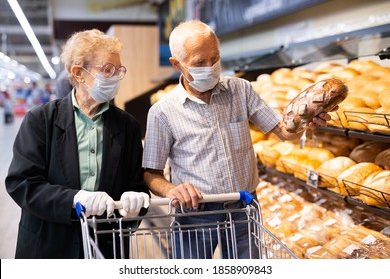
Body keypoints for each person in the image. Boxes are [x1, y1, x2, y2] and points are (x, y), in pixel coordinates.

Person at [142, 20, 333, 259]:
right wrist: (171, 189)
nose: (210, 67)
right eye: (200, 63)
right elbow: (151, 173)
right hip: (195, 213)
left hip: (244, 208)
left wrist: (305, 121)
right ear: (176, 64)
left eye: (215, 58)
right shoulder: (163, 111)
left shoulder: (240, 90)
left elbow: (283, 131)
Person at [5, 29, 150, 259]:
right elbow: (22, 183)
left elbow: (136, 186)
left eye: (118, 70)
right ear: (79, 73)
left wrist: (135, 204)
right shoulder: (41, 120)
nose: (115, 77)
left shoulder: (127, 126)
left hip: (105, 244)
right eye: (107, 70)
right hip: (48, 243)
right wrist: (74, 199)